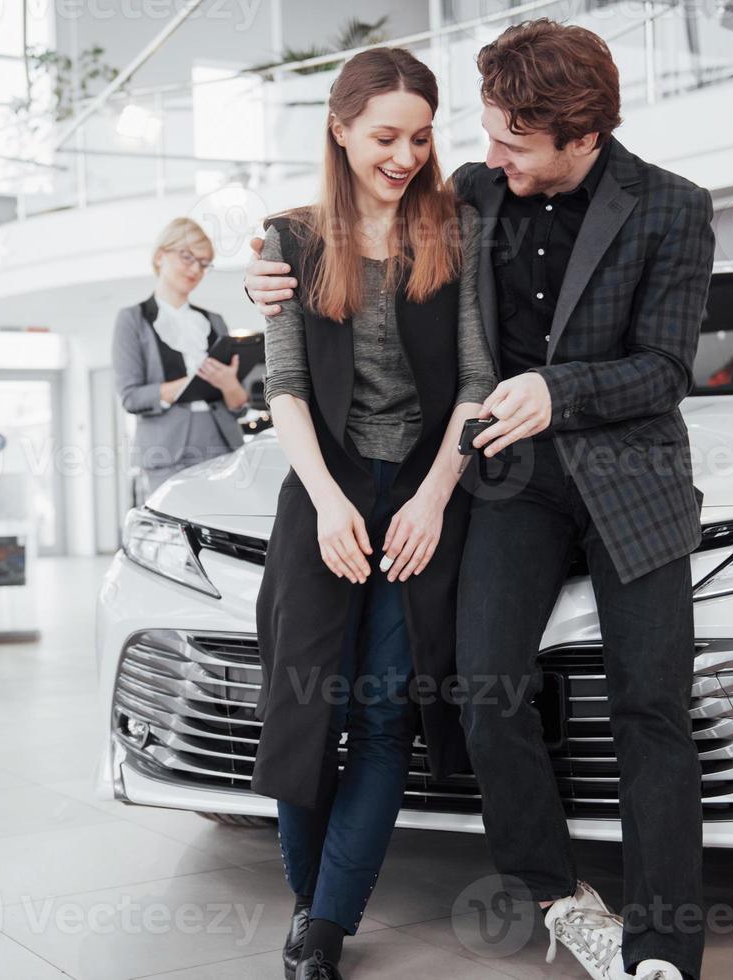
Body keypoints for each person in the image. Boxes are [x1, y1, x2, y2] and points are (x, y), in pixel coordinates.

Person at [246, 20, 715, 980]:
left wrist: (561, 391)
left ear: (578, 138)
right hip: (510, 480)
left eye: (510, 141)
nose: (479, 154)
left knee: (649, 708)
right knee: (481, 688)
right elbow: (343, 268)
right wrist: (262, 287)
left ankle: (663, 944)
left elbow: (665, 369)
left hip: (632, 478)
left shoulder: (672, 208)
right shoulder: (471, 196)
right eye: (486, 133)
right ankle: (555, 893)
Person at [249, 47, 495, 980]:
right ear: (340, 128)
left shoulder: (457, 229)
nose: (404, 155)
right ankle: (313, 906)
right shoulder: (289, 240)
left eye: (421, 136)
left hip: (428, 489)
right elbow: (285, 387)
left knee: (386, 713)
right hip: (324, 486)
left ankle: (324, 931)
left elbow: (476, 379)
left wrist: (435, 498)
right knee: (303, 704)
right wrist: (324, 502)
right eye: (385, 136)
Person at [111, 217, 249, 497]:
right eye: (188, 257)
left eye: (204, 263)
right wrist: (192, 381)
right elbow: (132, 397)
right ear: (161, 256)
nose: (196, 269)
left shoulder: (214, 321)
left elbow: (239, 406)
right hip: (167, 451)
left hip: (222, 445)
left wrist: (229, 386)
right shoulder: (132, 320)